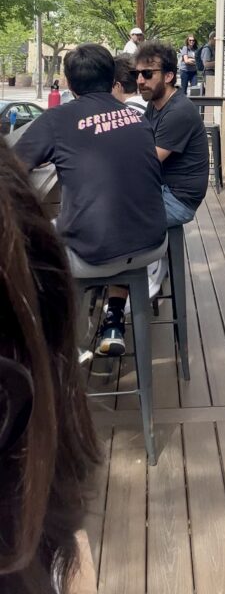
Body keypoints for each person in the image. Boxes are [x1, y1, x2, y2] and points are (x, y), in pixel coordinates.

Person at [15, 43, 167, 357]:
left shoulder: (58, 119)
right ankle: (112, 318)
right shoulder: (137, 119)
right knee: (112, 218)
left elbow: (12, 167)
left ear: (69, 83)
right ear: (112, 77)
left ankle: (53, 344)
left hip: (96, 253)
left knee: (38, 242)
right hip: (152, 242)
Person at [0, 137, 99, 594]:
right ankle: (113, 314)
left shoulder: (62, 120)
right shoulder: (148, 122)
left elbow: (29, 157)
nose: (142, 80)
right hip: (154, 233)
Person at [135, 40, 209, 227]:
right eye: (137, 74)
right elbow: (140, 139)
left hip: (177, 200)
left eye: (147, 73)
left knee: (110, 217)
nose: (140, 80)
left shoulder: (178, 111)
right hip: (161, 188)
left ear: (168, 76)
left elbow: (146, 161)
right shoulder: (155, 103)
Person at [200, 30, 216, 96]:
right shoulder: (207, 49)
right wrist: (218, 62)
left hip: (211, 73)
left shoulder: (212, 48)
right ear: (212, 39)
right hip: (208, 73)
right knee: (210, 93)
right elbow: (206, 64)